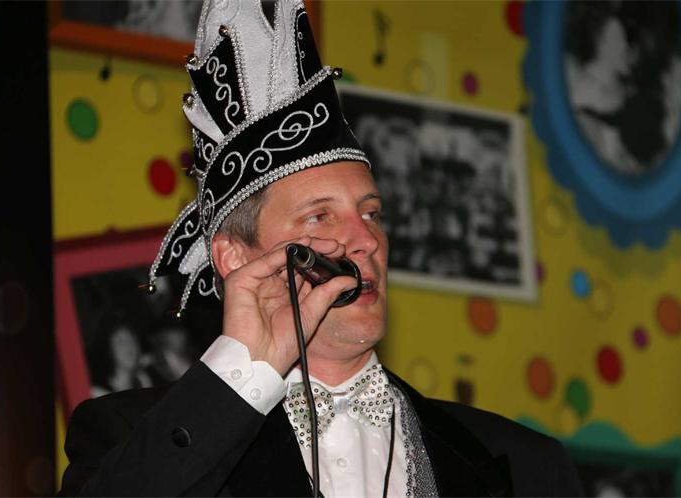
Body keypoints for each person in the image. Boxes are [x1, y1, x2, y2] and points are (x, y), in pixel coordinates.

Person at [60, 1, 584, 496]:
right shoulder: (128, 437)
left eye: (371, 213)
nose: (366, 240)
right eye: (320, 216)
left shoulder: (526, 466)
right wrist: (242, 374)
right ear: (234, 258)